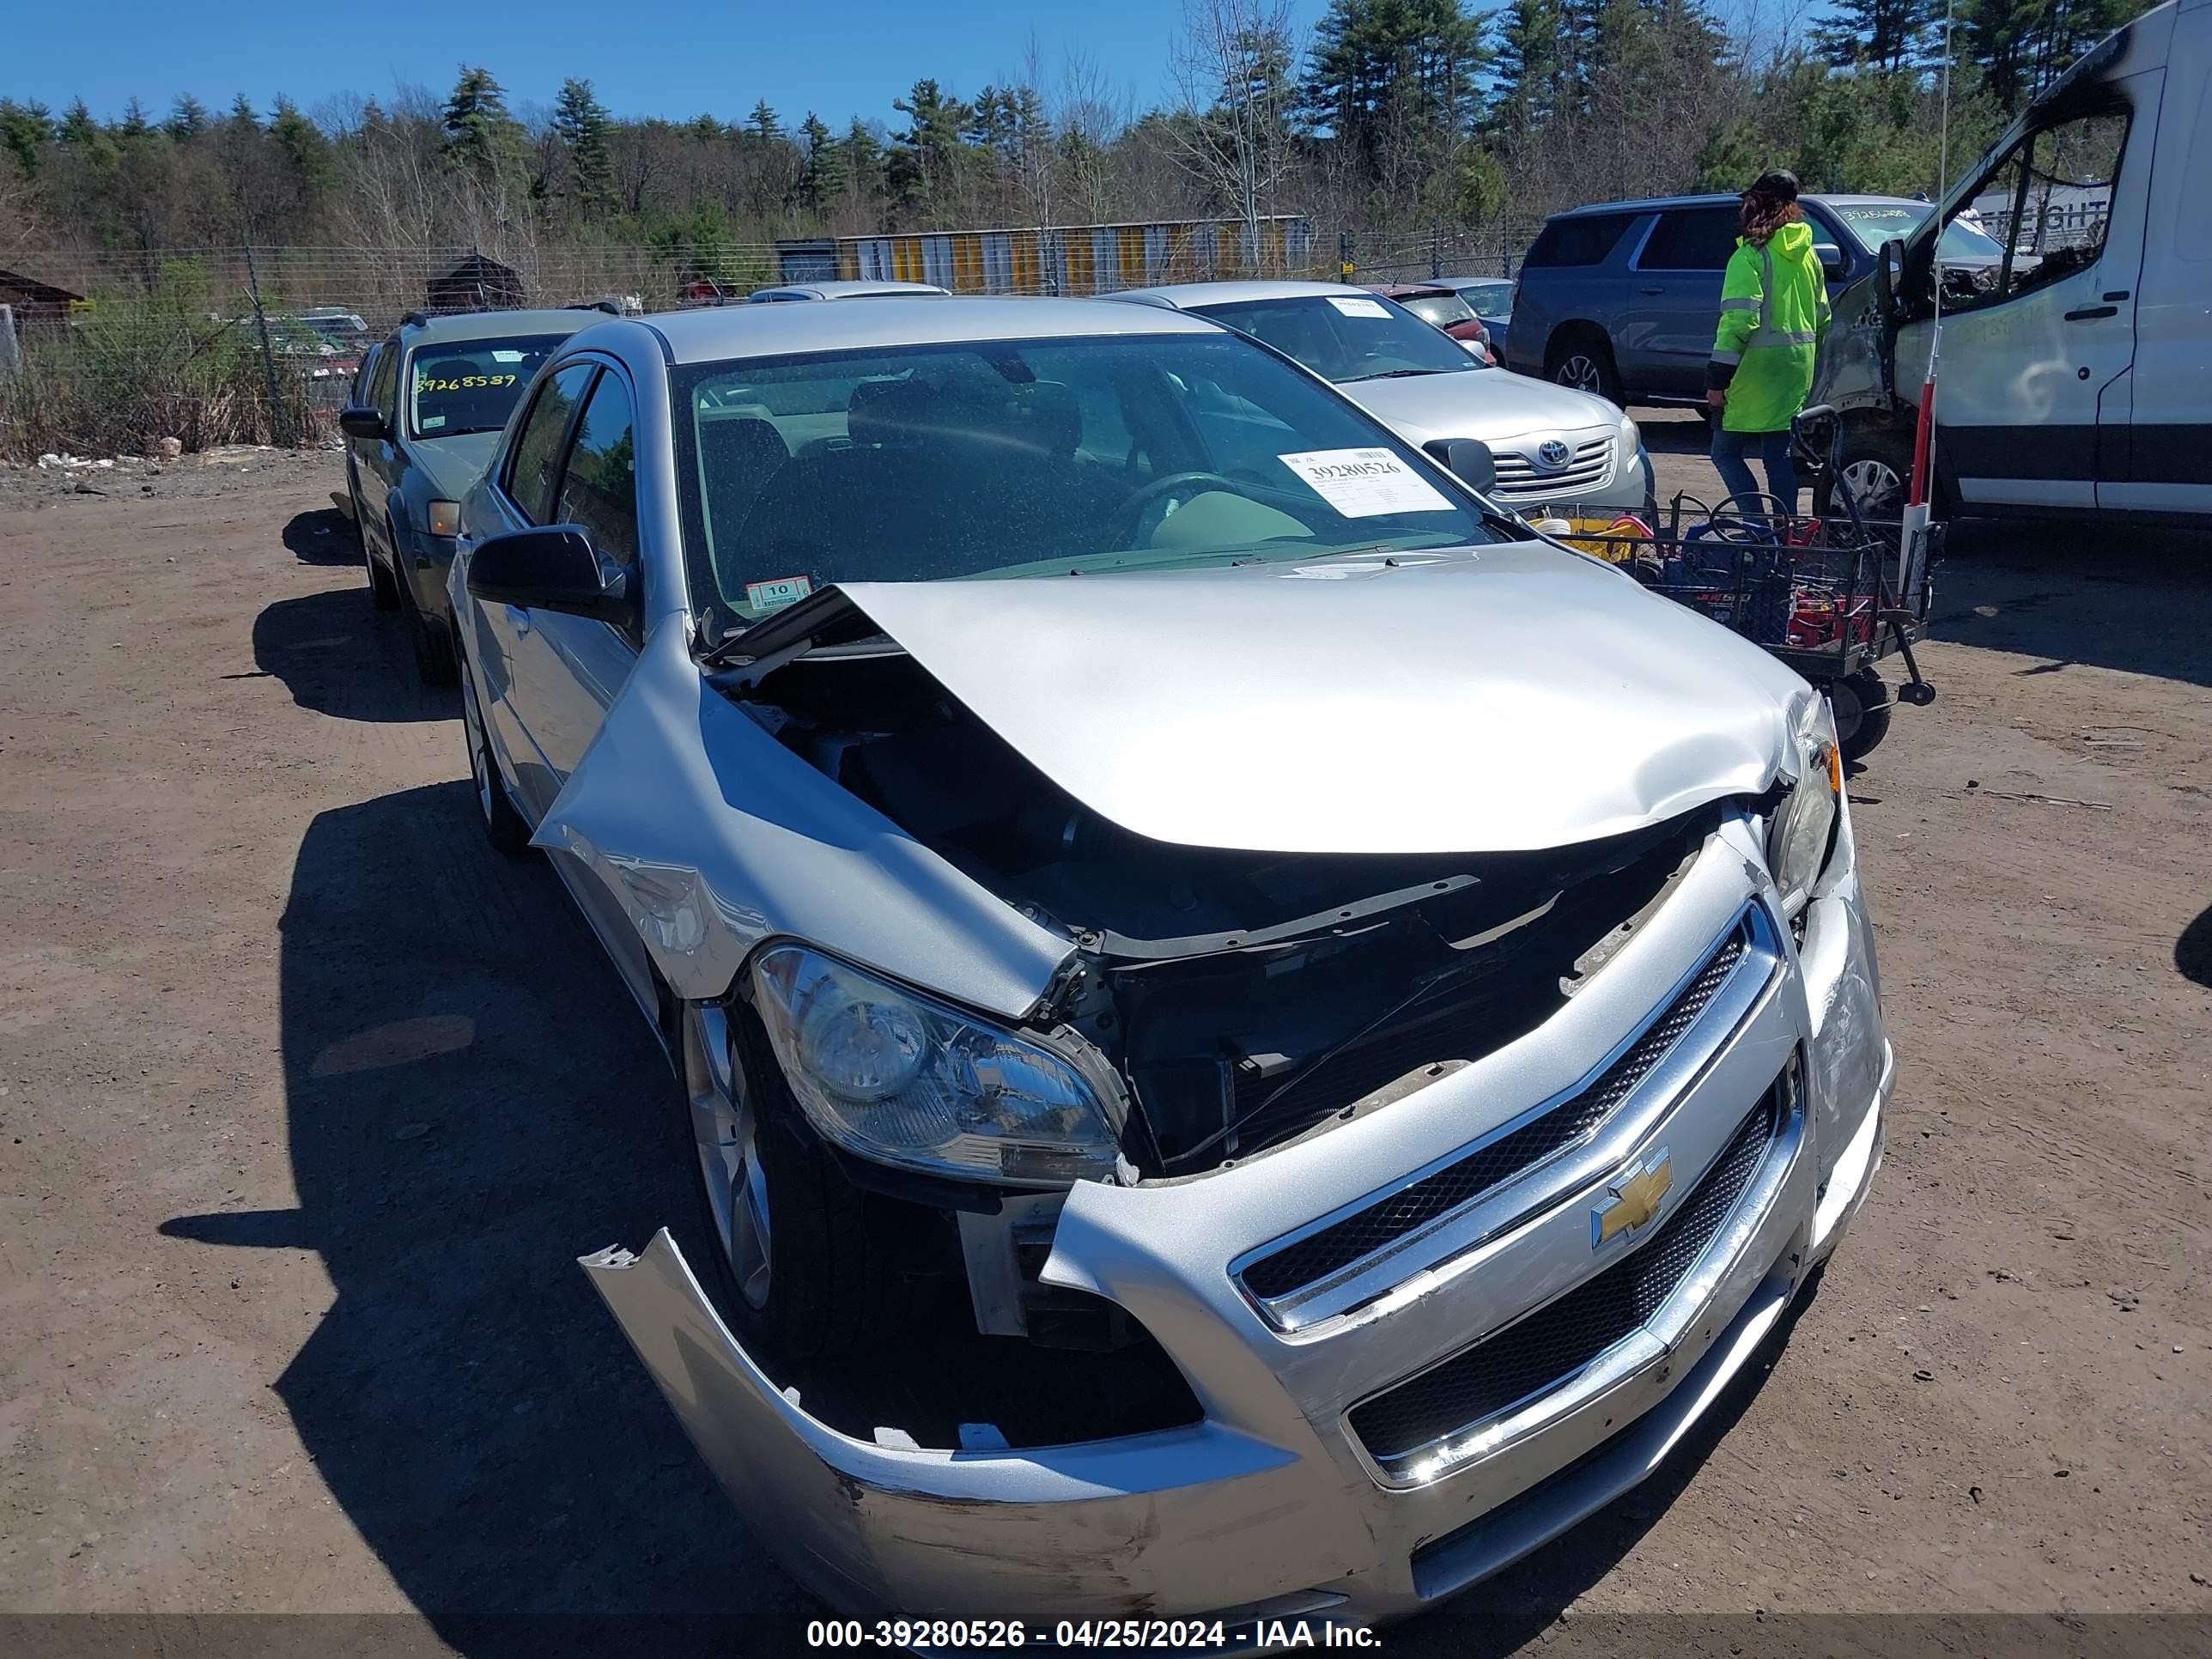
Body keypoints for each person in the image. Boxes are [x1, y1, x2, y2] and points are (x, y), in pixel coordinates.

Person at [1706, 169, 1832, 516]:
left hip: (1754, 372)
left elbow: (1738, 324)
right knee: (1778, 454)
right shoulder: (1808, 256)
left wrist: (1717, 382)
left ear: (1755, 204)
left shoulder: (1749, 257)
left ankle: (1757, 527)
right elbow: (1823, 317)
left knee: (1724, 452)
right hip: (1796, 370)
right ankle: (1785, 530)